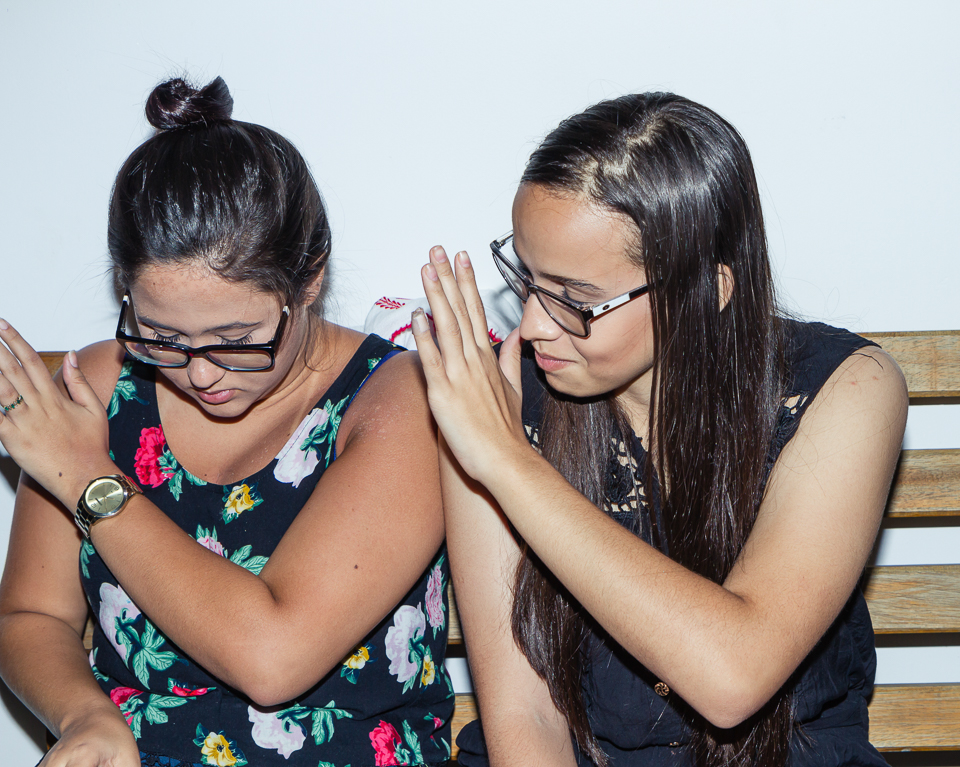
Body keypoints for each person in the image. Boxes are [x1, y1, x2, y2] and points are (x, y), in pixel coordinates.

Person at [411, 93, 907, 766]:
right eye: (526, 277)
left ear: (707, 289)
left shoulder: (848, 387)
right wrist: (499, 445)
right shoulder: (498, 401)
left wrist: (509, 464)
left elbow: (733, 676)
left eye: (576, 299)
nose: (531, 324)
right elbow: (526, 717)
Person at [0, 77, 452, 767]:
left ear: (310, 279)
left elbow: (273, 658)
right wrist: (85, 716)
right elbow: (31, 615)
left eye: (236, 339)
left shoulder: (397, 400)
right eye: (162, 336)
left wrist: (88, 479)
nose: (201, 373)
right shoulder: (101, 386)